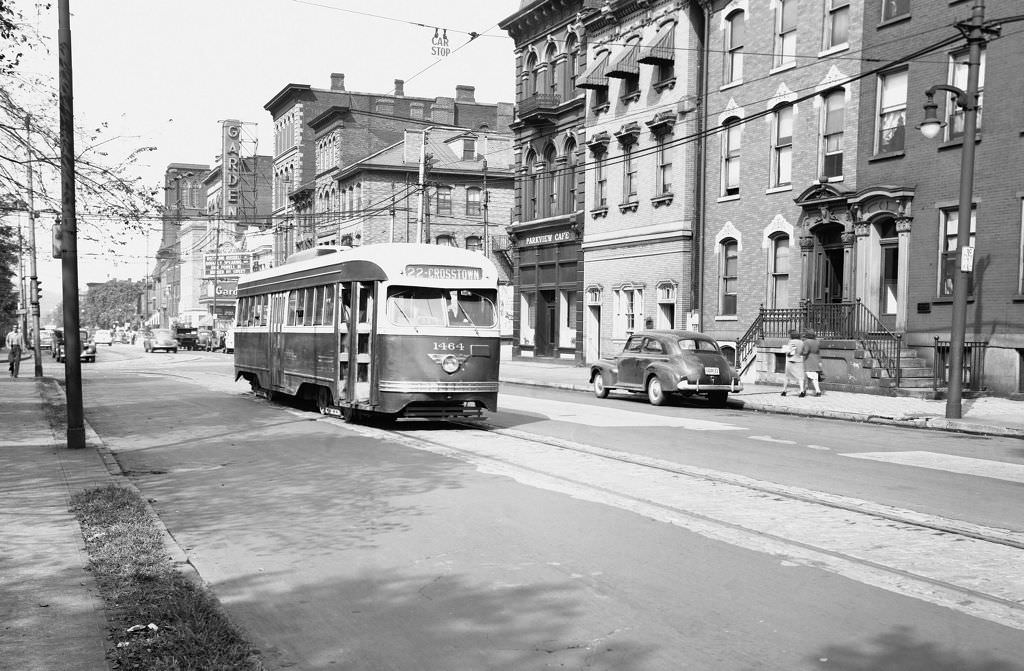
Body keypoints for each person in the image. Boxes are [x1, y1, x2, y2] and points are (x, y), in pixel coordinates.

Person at [780, 329, 805, 397]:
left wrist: (785, 350)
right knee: (800, 377)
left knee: (787, 376)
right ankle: (802, 391)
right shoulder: (802, 342)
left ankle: (784, 391)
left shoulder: (791, 341)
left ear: (791, 335)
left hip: (791, 360)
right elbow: (803, 351)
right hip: (799, 360)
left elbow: (790, 351)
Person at [802, 330, 823, 397]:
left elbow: (805, 351)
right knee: (814, 377)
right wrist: (819, 361)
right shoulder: (817, 342)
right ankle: (815, 391)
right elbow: (818, 352)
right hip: (816, 360)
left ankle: (805, 391)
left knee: (808, 377)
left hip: (809, 360)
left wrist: (800, 354)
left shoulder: (806, 342)